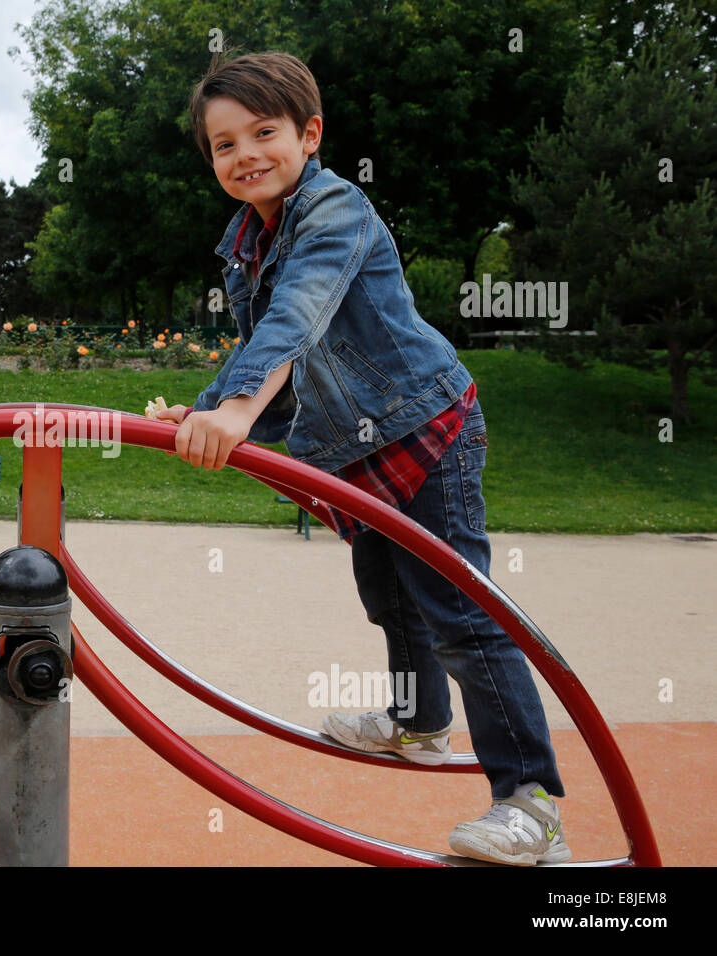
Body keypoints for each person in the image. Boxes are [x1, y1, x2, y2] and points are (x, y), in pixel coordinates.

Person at [157, 51, 569, 865]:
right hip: (360, 441)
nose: (245, 156)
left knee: (461, 615)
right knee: (386, 592)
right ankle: (418, 725)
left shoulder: (335, 210)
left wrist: (234, 407)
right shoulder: (247, 239)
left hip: (429, 425)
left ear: (310, 134)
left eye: (264, 133)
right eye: (224, 145)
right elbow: (276, 361)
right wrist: (212, 407)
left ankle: (531, 803)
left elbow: (300, 316)